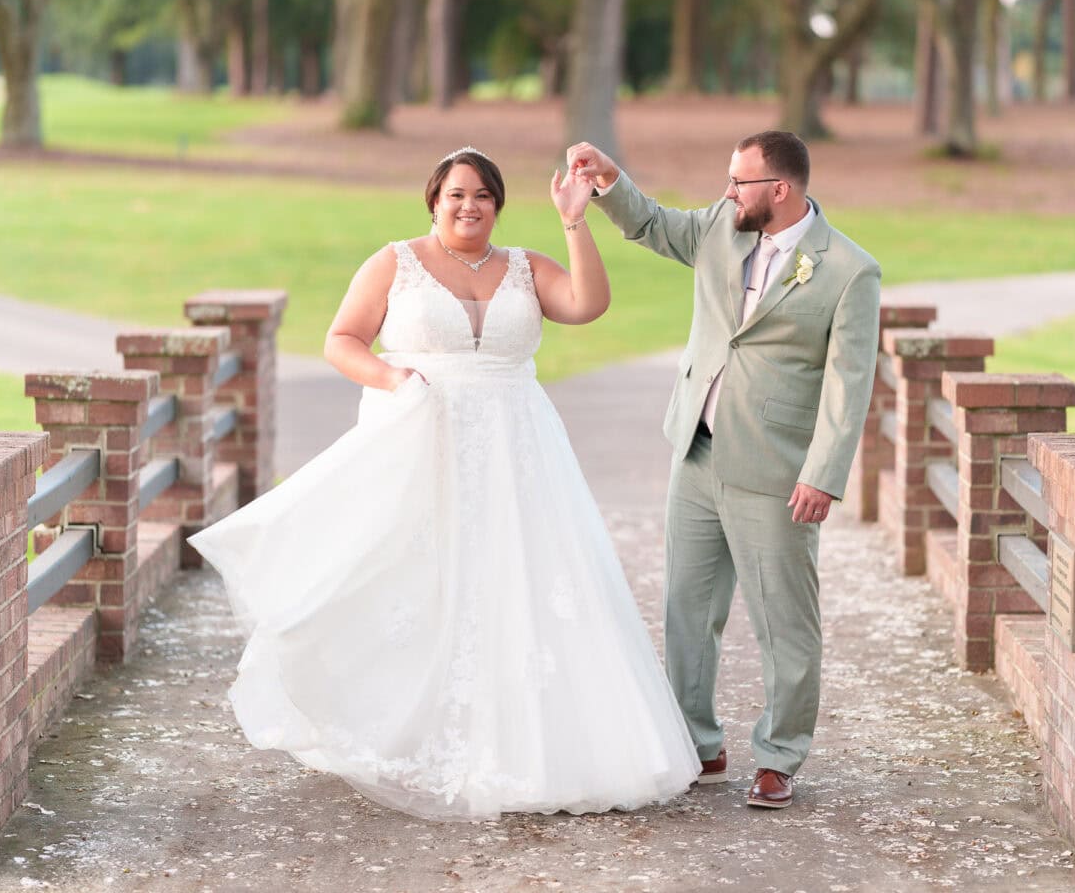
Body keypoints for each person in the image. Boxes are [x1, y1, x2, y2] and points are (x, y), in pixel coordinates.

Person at [188, 147, 699, 820]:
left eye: (482, 195)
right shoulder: (394, 263)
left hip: (519, 450)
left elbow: (587, 304)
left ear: (498, 205)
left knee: (521, 583)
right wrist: (393, 378)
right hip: (423, 441)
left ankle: (533, 744)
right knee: (418, 581)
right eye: (456, 194)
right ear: (434, 201)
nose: (468, 206)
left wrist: (576, 222)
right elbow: (342, 339)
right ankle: (405, 727)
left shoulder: (524, 266)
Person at [564, 131, 881, 810]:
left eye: (742, 181)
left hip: (776, 468)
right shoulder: (719, 226)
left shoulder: (850, 272)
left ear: (780, 190)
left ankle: (780, 756)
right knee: (686, 609)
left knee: (783, 622)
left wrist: (823, 472)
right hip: (697, 452)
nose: (728, 191)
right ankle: (696, 743)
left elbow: (848, 385)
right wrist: (609, 183)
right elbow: (651, 224)